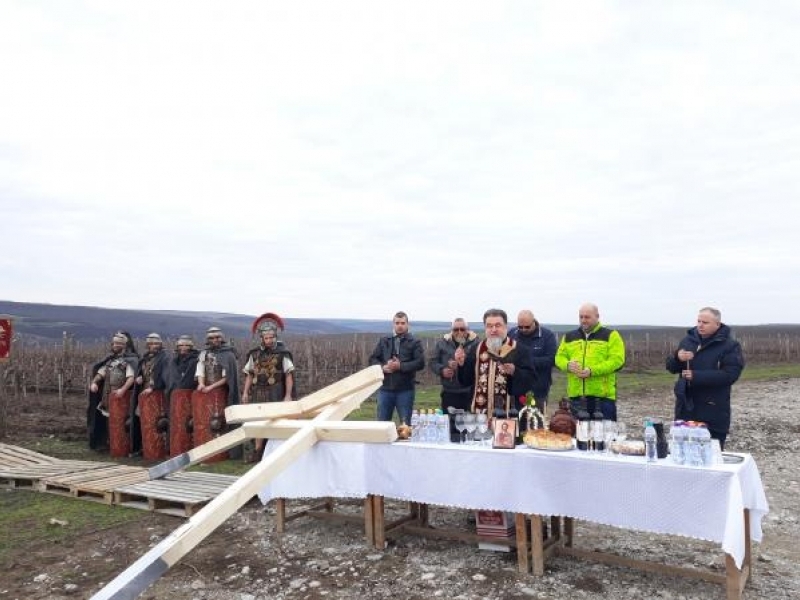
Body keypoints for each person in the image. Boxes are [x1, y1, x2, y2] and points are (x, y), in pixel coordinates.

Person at [666, 307, 744, 450]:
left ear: (717, 324)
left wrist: (696, 376)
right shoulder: (688, 341)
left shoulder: (730, 346)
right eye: (699, 321)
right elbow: (671, 367)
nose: (700, 325)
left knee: (710, 456)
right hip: (686, 408)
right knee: (682, 453)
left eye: (705, 322)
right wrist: (677, 357)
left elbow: (730, 375)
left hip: (712, 408)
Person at [555, 303, 626, 421]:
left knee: (604, 437)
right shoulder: (569, 336)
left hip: (603, 398)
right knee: (579, 437)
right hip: (576, 398)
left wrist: (592, 371)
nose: (583, 320)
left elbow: (617, 361)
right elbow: (558, 358)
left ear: (597, 316)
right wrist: (568, 365)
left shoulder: (611, 335)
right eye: (581, 317)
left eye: (587, 317)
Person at [242, 315, 296, 461]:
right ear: (261, 338)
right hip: (258, 391)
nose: (269, 340)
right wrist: (246, 392)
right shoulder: (255, 354)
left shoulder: (282, 353)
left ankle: (276, 451)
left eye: (272, 337)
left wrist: (288, 395)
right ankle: (258, 452)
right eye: (266, 337)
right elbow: (249, 374)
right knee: (258, 421)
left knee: (276, 421)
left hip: (275, 391)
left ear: (275, 337)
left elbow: (288, 375)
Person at [455, 308, 526, 416]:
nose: (493, 329)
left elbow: (530, 380)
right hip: (480, 415)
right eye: (489, 326)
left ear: (506, 326)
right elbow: (466, 381)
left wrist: (515, 371)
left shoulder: (518, 349)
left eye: (498, 325)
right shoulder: (476, 349)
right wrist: (461, 365)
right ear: (485, 328)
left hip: (509, 414)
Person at [368, 311, 425, 424]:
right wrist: (382, 368)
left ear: (407, 324)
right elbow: (372, 359)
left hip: (405, 390)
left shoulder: (415, 342)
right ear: (393, 324)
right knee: (382, 425)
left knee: (405, 425)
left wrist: (400, 366)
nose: (400, 325)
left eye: (403, 323)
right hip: (385, 389)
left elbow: (420, 363)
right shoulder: (384, 340)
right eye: (397, 323)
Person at [429, 317, 480, 441]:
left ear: (468, 330)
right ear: (451, 330)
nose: (459, 332)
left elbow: (480, 364)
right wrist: (442, 369)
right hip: (449, 391)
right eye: (455, 329)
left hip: (469, 392)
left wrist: (464, 364)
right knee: (449, 428)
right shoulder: (442, 342)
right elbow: (433, 362)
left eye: (462, 329)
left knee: (469, 428)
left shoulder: (477, 343)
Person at [87, 332, 138, 451]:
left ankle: (123, 445)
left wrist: (123, 390)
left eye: (119, 343)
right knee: (107, 421)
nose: (116, 345)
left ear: (125, 345)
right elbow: (101, 373)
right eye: (114, 343)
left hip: (121, 397)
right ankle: (108, 443)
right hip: (107, 395)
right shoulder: (110, 360)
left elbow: (131, 377)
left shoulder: (130, 360)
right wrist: (94, 382)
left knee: (121, 422)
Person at [508, 310, 557, 416]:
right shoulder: (512, 333)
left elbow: (552, 360)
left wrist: (525, 361)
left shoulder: (547, 336)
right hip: (516, 390)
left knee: (535, 423)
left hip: (538, 389)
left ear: (534, 322)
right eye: (520, 327)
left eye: (527, 327)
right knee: (515, 422)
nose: (523, 330)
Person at [132, 332, 169, 457]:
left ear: (160, 344)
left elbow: (166, 376)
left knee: (159, 422)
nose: (153, 346)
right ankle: (144, 447)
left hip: (158, 394)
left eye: (156, 343)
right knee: (142, 419)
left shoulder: (165, 358)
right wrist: (139, 378)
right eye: (151, 344)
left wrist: (153, 387)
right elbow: (142, 373)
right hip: (145, 394)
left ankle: (162, 448)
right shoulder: (144, 359)